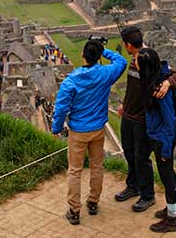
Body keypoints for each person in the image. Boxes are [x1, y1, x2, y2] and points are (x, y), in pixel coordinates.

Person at [52, 39, 127, 225]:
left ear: (82, 55)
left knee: (75, 170)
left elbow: (61, 108)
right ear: (98, 56)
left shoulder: (72, 81)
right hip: (98, 129)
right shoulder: (105, 74)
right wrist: (105, 52)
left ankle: (74, 210)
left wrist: (56, 128)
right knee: (96, 166)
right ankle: (93, 202)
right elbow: (121, 62)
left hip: (78, 131)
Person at [114, 25, 176, 212]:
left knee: (141, 157)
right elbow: (132, 88)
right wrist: (124, 103)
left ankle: (147, 195)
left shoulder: (148, 60)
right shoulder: (133, 61)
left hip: (143, 120)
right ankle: (133, 186)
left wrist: (168, 82)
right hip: (128, 115)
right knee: (128, 152)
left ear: (128, 45)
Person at [138, 48, 176, 233]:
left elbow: (169, 120)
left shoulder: (159, 89)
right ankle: (175, 207)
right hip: (160, 136)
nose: (135, 65)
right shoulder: (158, 77)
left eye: (138, 63)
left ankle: (172, 219)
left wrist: (164, 149)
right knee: (169, 174)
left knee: (167, 177)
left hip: (163, 138)